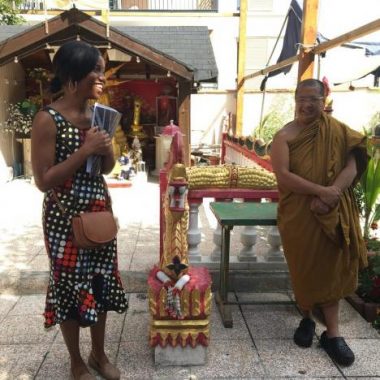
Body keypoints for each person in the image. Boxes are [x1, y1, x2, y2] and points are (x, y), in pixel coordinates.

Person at [31, 41, 128, 380]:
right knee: (69, 285)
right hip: (63, 216)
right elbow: (43, 180)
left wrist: (106, 146)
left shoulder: (96, 115)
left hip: (98, 212)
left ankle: (99, 355)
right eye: (96, 71)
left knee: (101, 282)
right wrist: (84, 149)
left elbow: (105, 168)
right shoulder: (48, 118)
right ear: (72, 77)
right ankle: (76, 363)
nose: (102, 77)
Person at [270, 78, 368, 366]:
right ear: (295, 99)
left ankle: (333, 335)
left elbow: (353, 163)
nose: (307, 104)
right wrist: (319, 191)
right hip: (299, 215)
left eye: (313, 98)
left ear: (324, 101)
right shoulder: (284, 136)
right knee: (305, 269)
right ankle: (307, 319)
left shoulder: (336, 131)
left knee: (330, 269)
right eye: (302, 98)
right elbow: (284, 176)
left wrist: (333, 192)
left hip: (333, 210)